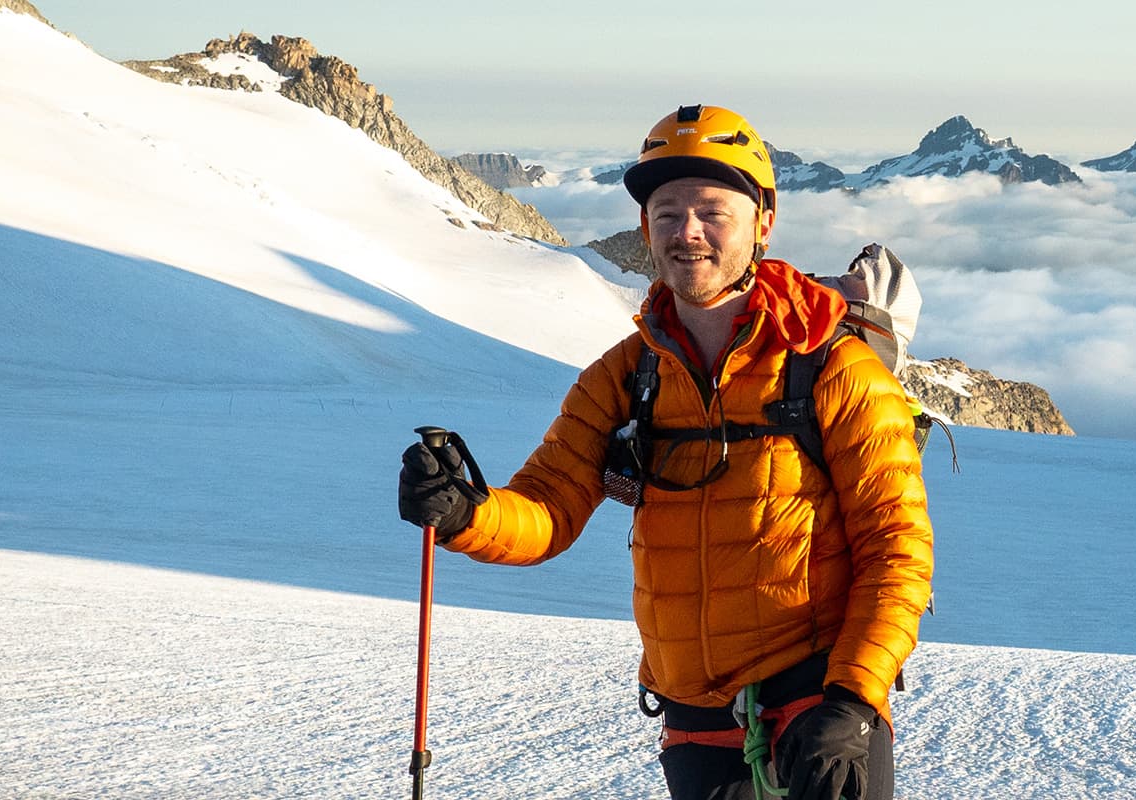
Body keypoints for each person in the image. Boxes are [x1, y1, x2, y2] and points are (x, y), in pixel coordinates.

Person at [399, 104, 934, 800]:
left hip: (818, 710)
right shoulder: (625, 375)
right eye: (667, 211)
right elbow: (548, 508)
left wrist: (855, 700)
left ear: (762, 220)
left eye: (712, 211)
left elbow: (898, 550)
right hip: (697, 725)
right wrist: (467, 513)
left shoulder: (832, 368)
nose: (687, 233)